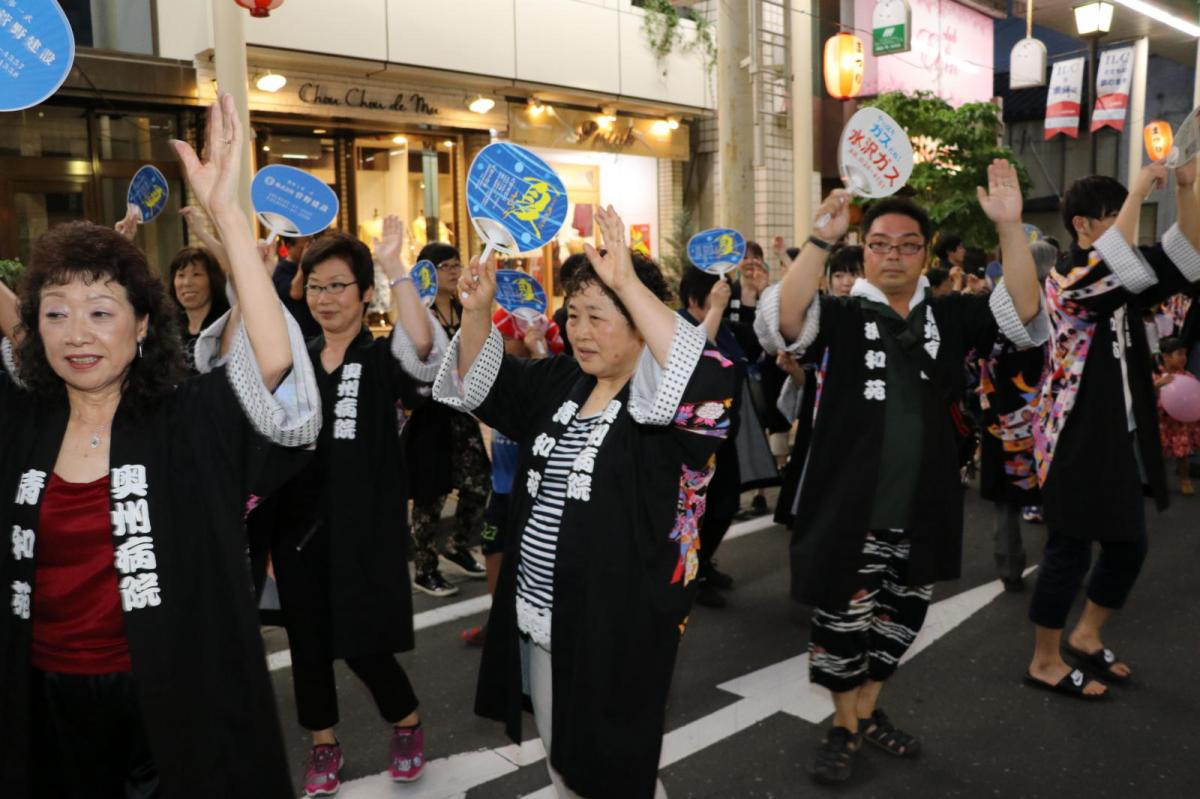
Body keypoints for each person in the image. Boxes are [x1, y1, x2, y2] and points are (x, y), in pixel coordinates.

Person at [0, 92, 320, 798]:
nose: (77, 332)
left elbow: (270, 363)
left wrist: (228, 219)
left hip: (168, 701)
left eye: (101, 312)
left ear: (144, 324)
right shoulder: (21, 420)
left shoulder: (186, 420)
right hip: (42, 698)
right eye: (55, 313)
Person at [755, 160, 1046, 785]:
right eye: (880, 245)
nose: (894, 256)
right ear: (865, 254)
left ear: (923, 256)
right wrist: (819, 240)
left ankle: (864, 713)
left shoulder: (951, 316)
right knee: (841, 624)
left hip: (924, 506)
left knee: (899, 621)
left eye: (908, 246)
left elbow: (1023, 310)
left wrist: (1012, 226)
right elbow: (783, 318)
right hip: (849, 507)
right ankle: (843, 725)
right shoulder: (839, 316)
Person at [435, 206, 735, 798]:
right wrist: (475, 315)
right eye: (573, 314)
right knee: (564, 758)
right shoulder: (560, 381)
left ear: (641, 324)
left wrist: (627, 280)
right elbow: (481, 385)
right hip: (546, 617)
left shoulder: (662, 405)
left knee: (615, 766)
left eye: (599, 316)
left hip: (620, 626)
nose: (580, 330)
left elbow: (704, 374)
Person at [244, 218, 446, 796]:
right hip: (295, 530)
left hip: (364, 529)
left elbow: (426, 348)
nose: (326, 298)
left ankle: (405, 722)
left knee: (363, 642)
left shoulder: (382, 359)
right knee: (307, 646)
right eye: (315, 286)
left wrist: (394, 264)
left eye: (338, 286)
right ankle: (323, 744)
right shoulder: (295, 360)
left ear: (363, 293)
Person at [1025, 160, 1200, 700]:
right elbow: (1116, 261)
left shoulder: (1120, 277)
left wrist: (1188, 189)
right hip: (1073, 436)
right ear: (1082, 225)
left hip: (1116, 434)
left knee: (1129, 545)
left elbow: (1186, 256)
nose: (1128, 224)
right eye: (1115, 215)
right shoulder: (1070, 280)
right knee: (1069, 550)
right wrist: (1142, 188)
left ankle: (1086, 632)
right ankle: (1044, 659)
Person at [406, 242, 489, 596]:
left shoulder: (463, 306)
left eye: (457, 264)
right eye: (446, 266)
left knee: (478, 485)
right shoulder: (418, 313)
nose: (454, 271)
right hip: (430, 416)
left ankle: (457, 545)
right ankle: (425, 569)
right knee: (430, 496)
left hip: (464, 414)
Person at [978, 240, 1056, 591]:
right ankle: (1062, 566)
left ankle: (1009, 570)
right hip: (1050, 420)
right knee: (1058, 497)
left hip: (1001, 417)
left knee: (1005, 504)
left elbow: (978, 360)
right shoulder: (1061, 307)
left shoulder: (996, 310)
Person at [164, 244, 229, 374]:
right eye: (181, 275)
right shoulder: (168, 326)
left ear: (213, 280)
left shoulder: (226, 324)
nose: (187, 282)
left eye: (196, 274)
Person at [1156, 336, 1200, 496]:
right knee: (1156, 454)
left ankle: (1185, 480)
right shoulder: (1158, 375)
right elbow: (1146, 394)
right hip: (1161, 422)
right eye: (1179, 354)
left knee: (1182, 455)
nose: (1183, 358)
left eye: (1185, 354)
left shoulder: (1188, 376)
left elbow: (1194, 396)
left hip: (1180, 424)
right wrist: (1158, 385)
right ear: (1166, 356)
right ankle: (1156, 481)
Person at [271, 233, 322, 340]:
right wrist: (303, 265)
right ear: (289, 246)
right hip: (297, 336)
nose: (309, 249)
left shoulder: (315, 267)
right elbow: (296, 293)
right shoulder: (282, 269)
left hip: (317, 333)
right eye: (305, 246)